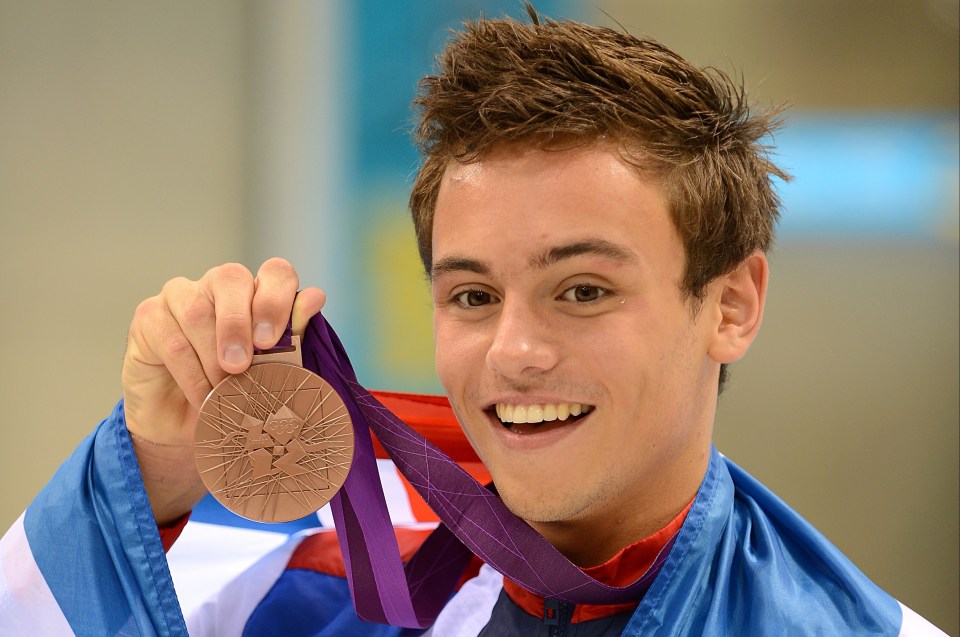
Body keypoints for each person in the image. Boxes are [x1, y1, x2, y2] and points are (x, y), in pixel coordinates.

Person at [0, 7, 947, 637]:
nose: (516, 353)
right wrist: (148, 475)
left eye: (582, 290)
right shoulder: (301, 568)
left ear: (731, 304)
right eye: (473, 296)